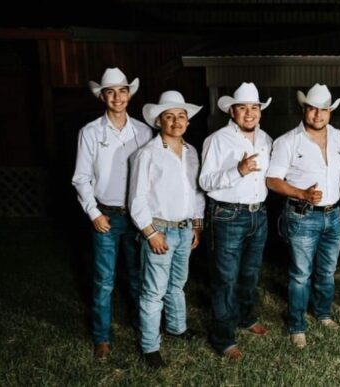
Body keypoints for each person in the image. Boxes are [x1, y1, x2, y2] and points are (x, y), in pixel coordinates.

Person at [72, 67, 153, 360]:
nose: (117, 97)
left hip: (135, 216)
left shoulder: (143, 131)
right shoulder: (91, 132)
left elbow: (150, 176)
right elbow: (81, 177)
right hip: (105, 214)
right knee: (104, 279)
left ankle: (139, 325)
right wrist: (94, 212)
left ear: (129, 94)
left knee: (137, 275)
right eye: (111, 92)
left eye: (122, 91)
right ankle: (102, 337)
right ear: (103, 97)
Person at [128, 90, 205, 369]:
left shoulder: (191, 151)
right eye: (169, 116)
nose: (176, 121)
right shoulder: (146, 154)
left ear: (187, 121)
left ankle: (177, 327)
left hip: (185, 230)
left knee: (177, 285)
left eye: (181, 116)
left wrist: (197, 224)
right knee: (153, 291)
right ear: (159, 121)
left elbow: (195, 192)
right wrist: (150, 233)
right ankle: (150, 346)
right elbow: (136, 198)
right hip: (159, 229)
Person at [266, 84, 340, 349]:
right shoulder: (288, 141)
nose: (318, 115)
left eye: (324, 110)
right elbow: (272, 180)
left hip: (333, 215)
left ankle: (322, 313)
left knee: (327, 270)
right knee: (300, 273)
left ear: (330, 112)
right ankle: (297, 324)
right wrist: (301, 193)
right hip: (302, 216)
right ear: (304, 109)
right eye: (313, 109)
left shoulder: (338, 136)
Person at [199, 82, 272, 360]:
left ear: (260, 112)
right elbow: (205, 181)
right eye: (243, 108)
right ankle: (223, 337)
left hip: (259, 214)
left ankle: (245, 317)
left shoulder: (266, 139)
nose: (249, 113)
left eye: (254, 108)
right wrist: (237, 170)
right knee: (225, 279)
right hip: (228, 215)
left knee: (250, 274)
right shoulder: (217, 140)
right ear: (232, 111)